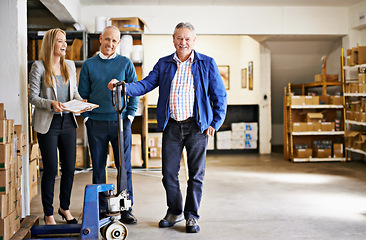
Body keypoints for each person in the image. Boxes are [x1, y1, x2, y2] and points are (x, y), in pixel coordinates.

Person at [108, 22, 227, 233]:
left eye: (187, 39)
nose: (183, 42)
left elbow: (220, 96)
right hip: (172, 126)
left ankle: (191, 216)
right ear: (173, 39)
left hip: (197, 127)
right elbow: (145, 84)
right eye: (179, 38)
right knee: (168, 174)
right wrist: (124, 87)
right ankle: (174, 211)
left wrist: (215, 123)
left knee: (196, 175)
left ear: (193, 41)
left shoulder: (206, 63)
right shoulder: (164, 64)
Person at [78, 26, 139, 224]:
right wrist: (87, 118)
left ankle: (126, 207)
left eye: (114, 41)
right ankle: (101, 207)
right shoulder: (89, 65)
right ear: (100, 39)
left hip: (120, 123)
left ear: (118, 43)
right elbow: (83, 95)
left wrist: (129, 117)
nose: (110, 44)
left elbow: (134, 91)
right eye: (107, 40)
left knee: (124, 167)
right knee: (98, 167)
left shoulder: (125, 63)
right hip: (95, 123)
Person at [29, 28, 81, 225]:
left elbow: (73, 93)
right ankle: (48, 213)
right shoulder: (39, 67)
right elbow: (33, 97)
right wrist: (50, 104)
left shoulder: (69, 65)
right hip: (48, 124)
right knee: (51, 169)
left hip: (68, 122)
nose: (64, 44)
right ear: (51, 43)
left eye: (65, 41)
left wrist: (80, 103)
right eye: (60, 41)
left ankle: (64, 208)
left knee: (69, 167)